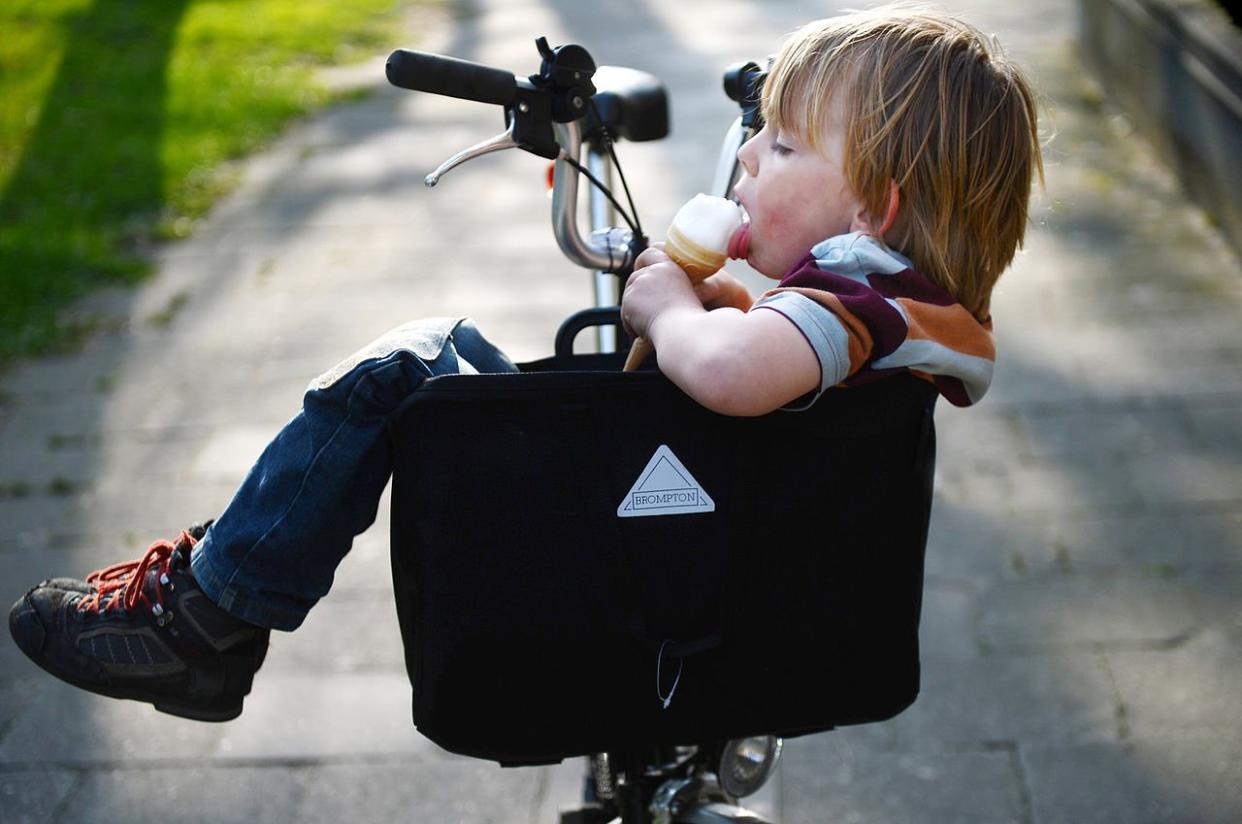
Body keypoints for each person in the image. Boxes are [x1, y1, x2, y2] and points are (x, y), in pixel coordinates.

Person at [8, 5, 1043, 722]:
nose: (745, 160)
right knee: (455, 357)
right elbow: (790, 359)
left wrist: (668, 298)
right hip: (772, 547)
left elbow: (732, 375)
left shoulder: (856, 297)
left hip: (670, 550)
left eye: (779, 147)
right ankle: (209, 602)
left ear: (877, 208)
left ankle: (211, 612)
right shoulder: (914, 306)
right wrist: (731, 292)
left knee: (407, 368)